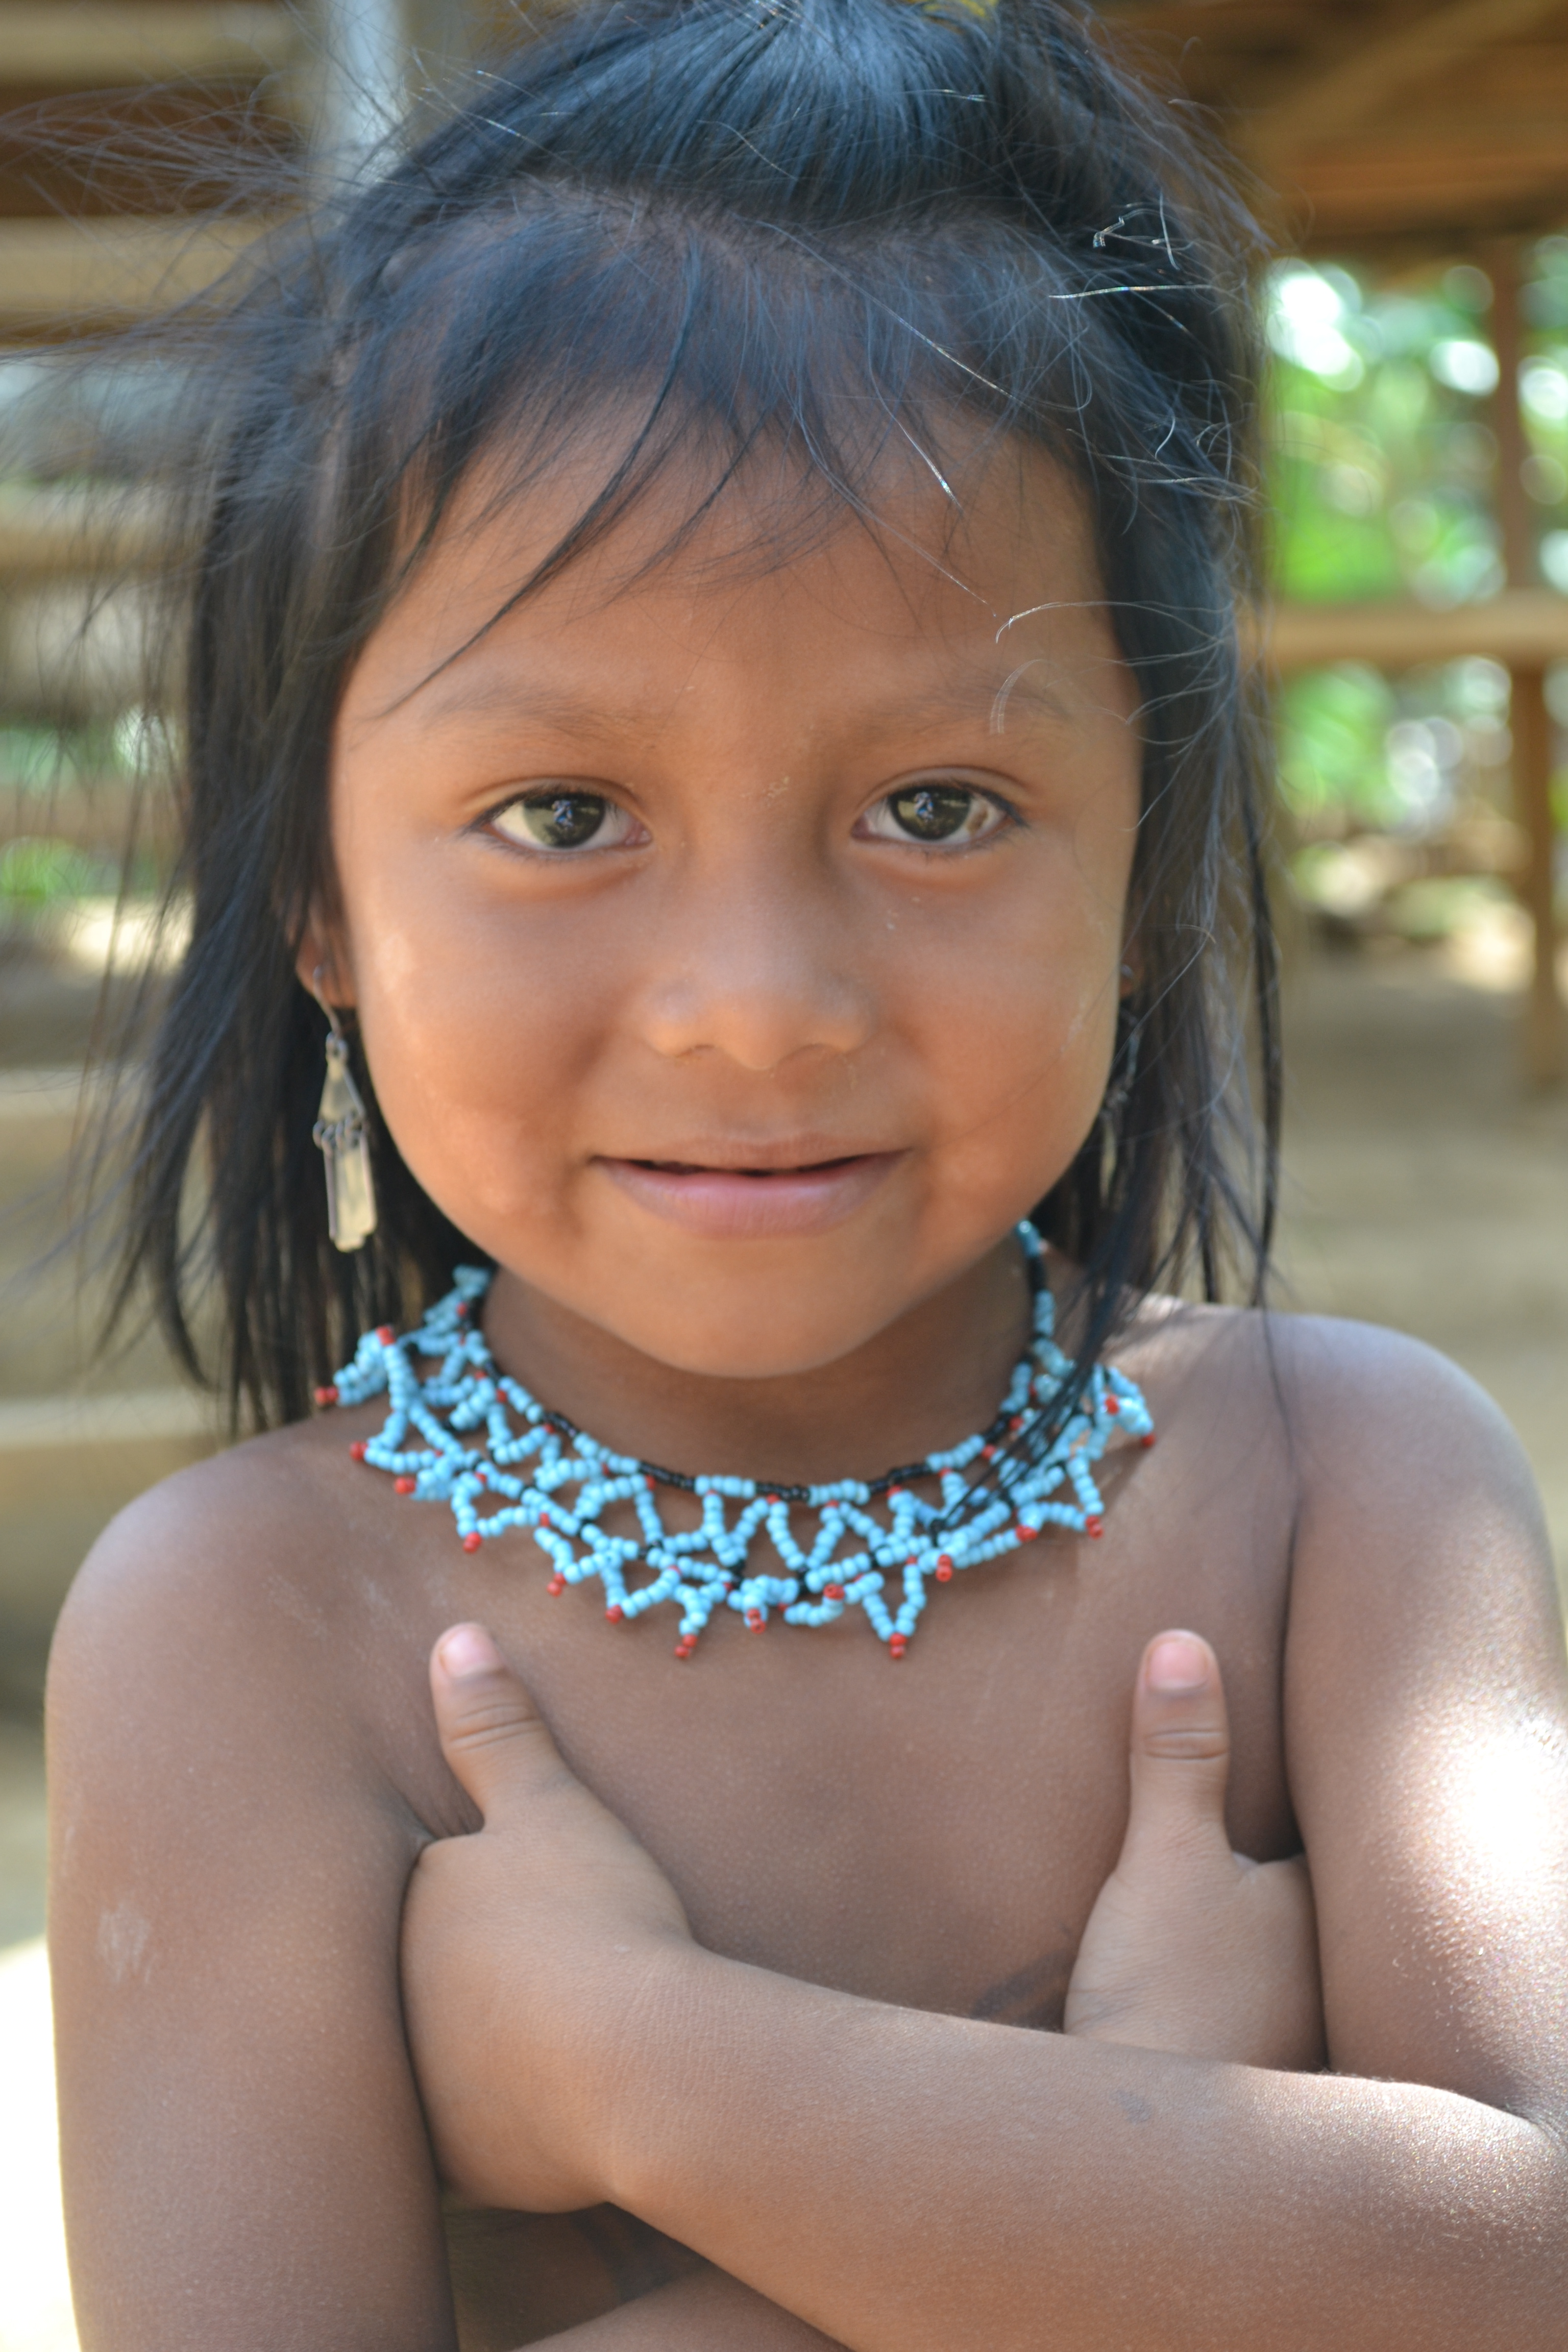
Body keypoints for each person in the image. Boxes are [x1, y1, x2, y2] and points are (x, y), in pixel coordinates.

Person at [44, 1, 1568, 2345]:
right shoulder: (250, 1636)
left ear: (1152, 865)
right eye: (563, 816)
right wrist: (1162, 2168)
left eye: (936, 809)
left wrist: (658, 2080)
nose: (756, 1003)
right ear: (320, 899)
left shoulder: (1350, 1491)